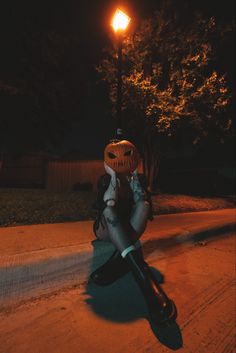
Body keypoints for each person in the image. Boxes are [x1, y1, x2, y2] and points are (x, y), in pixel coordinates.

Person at [90, 139, 177, 326]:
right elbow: (109, 204)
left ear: (135, 158)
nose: (120, 159)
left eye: (127, 154)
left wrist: (135, 176)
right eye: (113, 155)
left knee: (144, 204)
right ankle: (146, 279)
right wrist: (113, 176)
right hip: (106, 228)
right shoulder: (106, 180)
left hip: (128, 228)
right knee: (108, 210)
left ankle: (126, 264)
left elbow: (142, 202)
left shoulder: (139, 180)